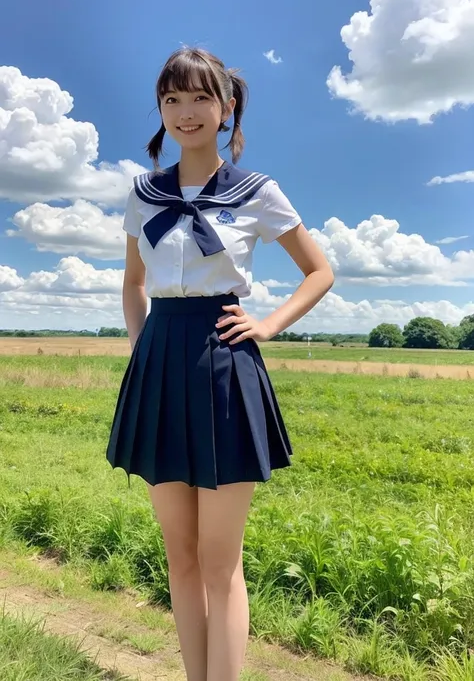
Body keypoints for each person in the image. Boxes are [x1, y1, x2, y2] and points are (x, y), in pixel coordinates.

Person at [106, 47, 334, 681]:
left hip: (225, 362)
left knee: (218, 559)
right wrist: (139, 341)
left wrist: (266, 324)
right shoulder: (142, 194)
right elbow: (132, 282)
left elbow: (320, 272)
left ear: (226, 107)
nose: (186, 111)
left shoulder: (256, 191)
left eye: (201, 98)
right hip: (158, 362)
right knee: (179, 555)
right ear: (160, 108)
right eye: (172, 99)